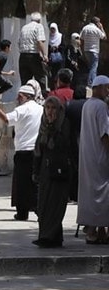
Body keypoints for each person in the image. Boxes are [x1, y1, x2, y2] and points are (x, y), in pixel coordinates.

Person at [0, 83, 42, 222]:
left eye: (19, 97)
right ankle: (39, 210)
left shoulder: (22, 109)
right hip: (37, 151)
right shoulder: (41, 109)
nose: (17, 99)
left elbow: (7, 119)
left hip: (23, 151)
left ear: (23, 96)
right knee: (35, 182)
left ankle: (23, 212)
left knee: (21, 184)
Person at [33, 96, 73, 248]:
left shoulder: (64, 124)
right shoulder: (43, 125)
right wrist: (35, 170)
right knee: (44, 204)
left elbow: (62, 145)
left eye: (53, 108)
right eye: (47, 108)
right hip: (45, 170)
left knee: (55, 205)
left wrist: (52, 129)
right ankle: (52, 236)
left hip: (59, 170)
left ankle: (48, 237)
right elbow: (39, 149)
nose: (50, 112)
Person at [78, 75, 109, 244]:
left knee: (91, 192)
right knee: (103, 193)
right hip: (100, 156)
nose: (107, 91)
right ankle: (95, 230)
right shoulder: (101, 106)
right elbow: (105, 134)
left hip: (88, 154)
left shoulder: (87, 105)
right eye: (106, 87)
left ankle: (97, 230)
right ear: (97, 88)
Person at [18, 12, 49, 92]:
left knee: (25, 81)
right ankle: (42, 96)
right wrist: (44, 55)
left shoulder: (24, 27)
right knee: (40, 79)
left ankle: (25, 97)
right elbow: (39, 41)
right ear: (39, 20)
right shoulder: (38, 26)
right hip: (33, 55)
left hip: (23, 56)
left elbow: (19, 42)